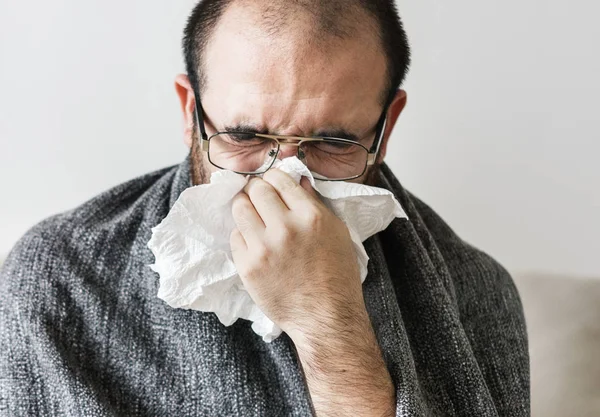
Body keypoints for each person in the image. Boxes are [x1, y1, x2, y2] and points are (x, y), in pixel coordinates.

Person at [0, 1, 529, 416]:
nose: (284, 177)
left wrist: (329, 325)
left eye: (332, 142)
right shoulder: (61, 276)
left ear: (385, 128)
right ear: (191, 112)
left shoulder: (474, 290)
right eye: (245, 135)